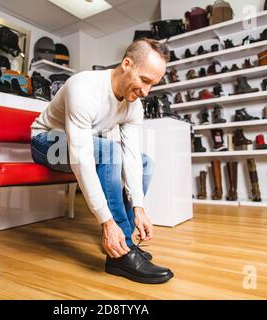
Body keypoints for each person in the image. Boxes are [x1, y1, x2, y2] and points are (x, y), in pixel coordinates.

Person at [30, 39, 173, 284]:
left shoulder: (133, 106)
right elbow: (81, 158)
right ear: (127, 64)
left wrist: (138, 207)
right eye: (145, 81)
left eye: (153, 85)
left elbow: (131, 155)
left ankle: (121, 241)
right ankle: (121, 255)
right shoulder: (84, 87)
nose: (146, 92)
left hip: (82, 144)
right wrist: (106, 221)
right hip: (46, 142)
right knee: (109, 151)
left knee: (145, 162)